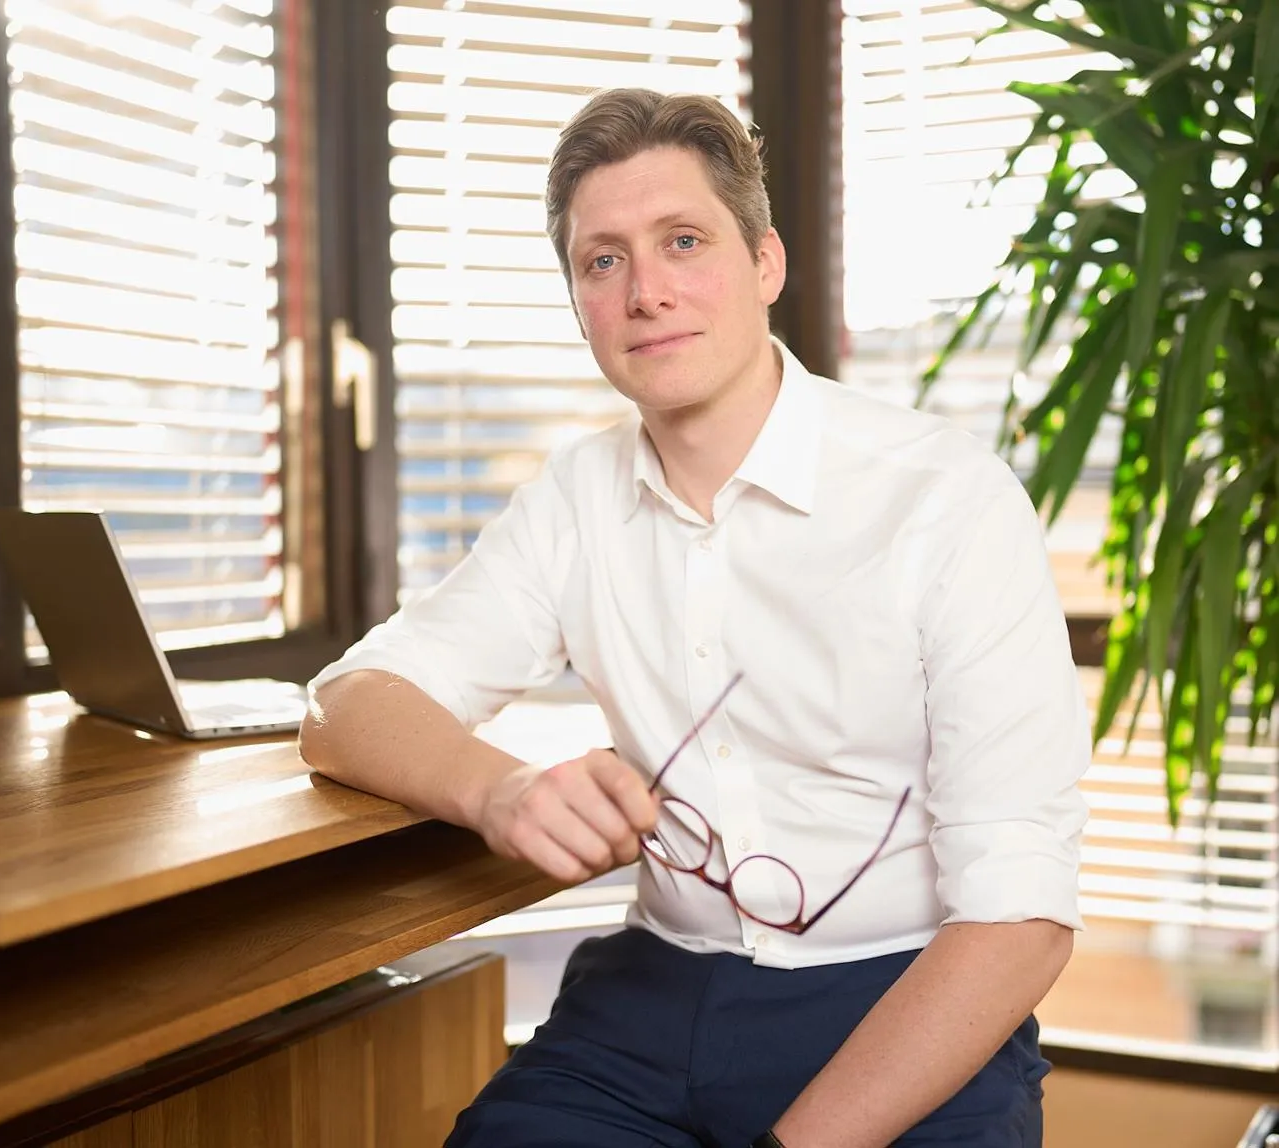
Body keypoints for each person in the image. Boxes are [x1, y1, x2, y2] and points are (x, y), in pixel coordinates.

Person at [300, 87, 1090, 1148]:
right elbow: (346, 706)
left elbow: (1018, 917)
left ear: (764, 262)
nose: (645, 291)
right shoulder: (575, 497)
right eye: (603, 260)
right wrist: (502, 790)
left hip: (910, 1000)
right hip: (647, 1002)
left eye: (682, 241)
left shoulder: (946, 497)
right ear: (578, 298)